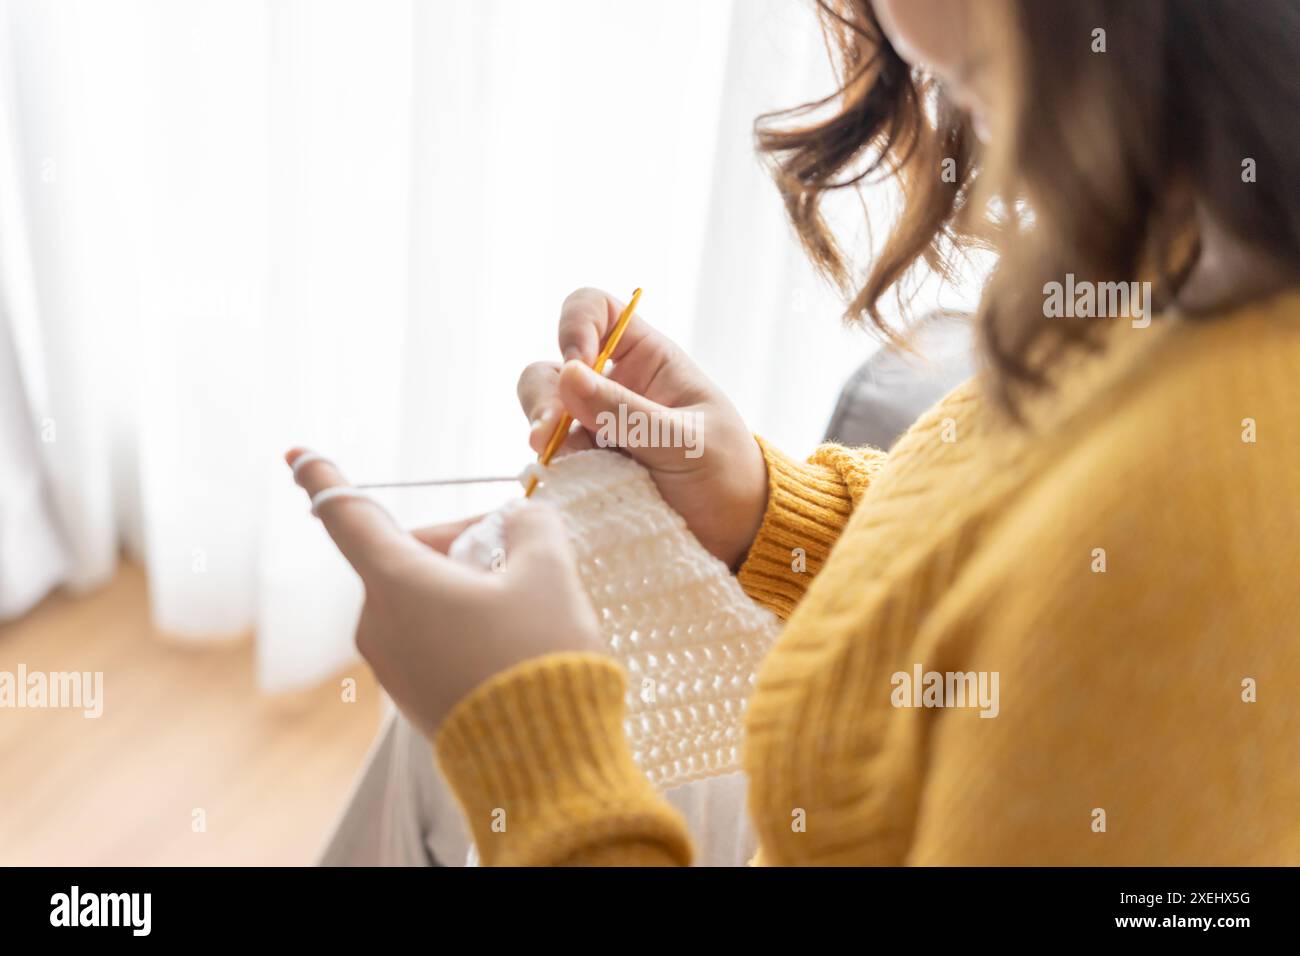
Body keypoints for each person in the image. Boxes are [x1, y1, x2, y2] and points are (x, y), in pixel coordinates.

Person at [288, 0, 1300, 865]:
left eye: (979, 88)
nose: (968, 153)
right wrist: (763, 511)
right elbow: (997, 578)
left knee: (473, 729)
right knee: (432, 735)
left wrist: (539, 753)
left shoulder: (1215, 546)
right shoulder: (1175, 251)